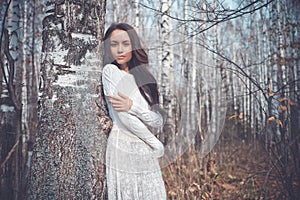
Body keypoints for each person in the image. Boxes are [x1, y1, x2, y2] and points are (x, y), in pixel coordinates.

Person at [101, 23, 167, 199]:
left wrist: (133, 107)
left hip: (145, 150)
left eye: (126, 43)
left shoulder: (146, 79)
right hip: (123, 146)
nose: (120, 49)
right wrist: (154, 143)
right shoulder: (110, 71)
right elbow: (123, 117)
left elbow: (158, 121)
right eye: (114, 44)